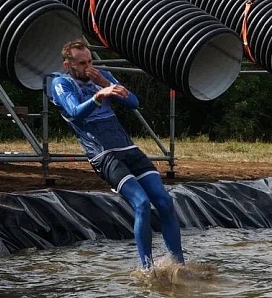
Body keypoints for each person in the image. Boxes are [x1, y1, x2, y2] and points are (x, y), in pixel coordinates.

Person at [50, 41, 185, 268]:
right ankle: (147, 269)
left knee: (164, 201)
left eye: (90, 61)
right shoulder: (61, 83)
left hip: (128, 149)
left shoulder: (101, 77)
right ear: (68, 64)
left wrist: (104, 82)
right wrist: (99, 95)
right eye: (82, 63)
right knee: (141, 203)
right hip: (103, 154)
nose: (88, 67)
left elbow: (134, 103)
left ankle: (179, 265)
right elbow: (75, 112)